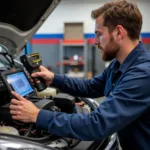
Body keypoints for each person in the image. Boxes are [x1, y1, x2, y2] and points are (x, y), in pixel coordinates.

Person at [9, 0, 150, 149]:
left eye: (99, 34)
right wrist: (54, 78)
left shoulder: (142, 74)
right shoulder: (119, 64)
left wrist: (37, 115)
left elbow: (97, 125)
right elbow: (91, 86)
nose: (95, 41)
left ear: (118, 32)